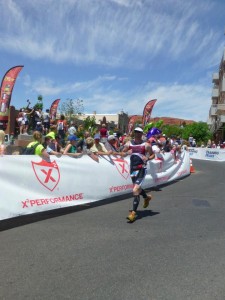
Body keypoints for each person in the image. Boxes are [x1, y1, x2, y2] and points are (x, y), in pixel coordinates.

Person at [122, 127, 155, 222]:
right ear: (134, 133)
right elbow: (122, 153)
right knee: (138, 188)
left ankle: (133, 213)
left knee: (135, 189)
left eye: (139, 132)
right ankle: (146, 197)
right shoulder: (129, 144)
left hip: (142, 168)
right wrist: (126, 152)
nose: (137, 134)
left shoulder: (146, 145)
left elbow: (153, 155)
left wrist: (148, 158)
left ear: (142, 134)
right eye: (136, 132)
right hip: (133, 169)